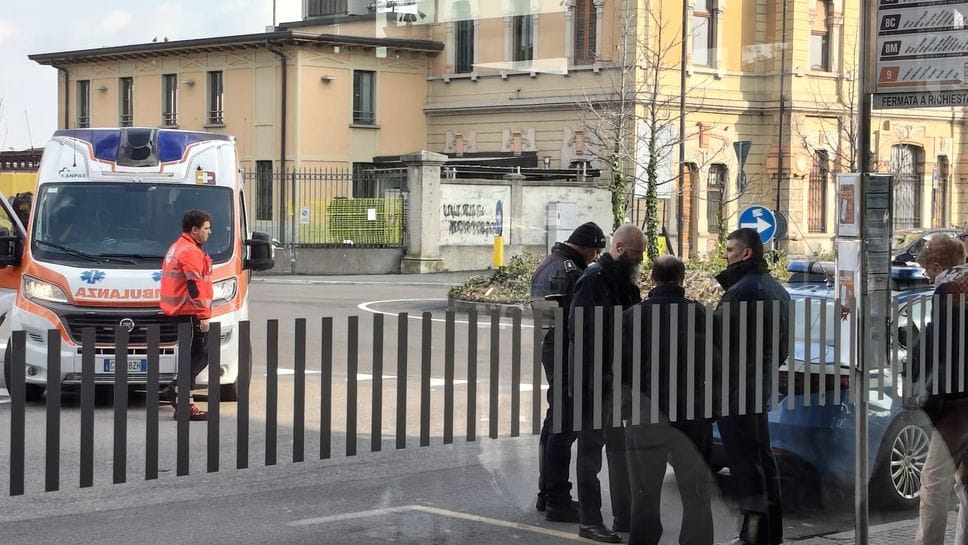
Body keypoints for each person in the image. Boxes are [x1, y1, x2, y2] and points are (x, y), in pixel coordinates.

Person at [621, 255, 714, 545]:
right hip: (691, 412)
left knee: (644, 490)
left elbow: (620, 369)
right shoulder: (700, 315)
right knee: (696, 490)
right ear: (682, 279)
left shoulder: (634, 316)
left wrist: (626, 410)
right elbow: (717, 366)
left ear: (652, 279)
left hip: (645, 413)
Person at [714, 228, 790, 545]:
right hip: (758, 389)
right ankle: (771, 535)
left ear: (746, 254)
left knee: (747, 468)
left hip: (736, 391)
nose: (726, 254)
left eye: (730, 249)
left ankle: (753, 537)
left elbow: (717, 345)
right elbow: (782, 347)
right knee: (763, 461)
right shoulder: (777, 290)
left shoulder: (742, 292)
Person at [569, 223, 644, 543]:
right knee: (591, 454)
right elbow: (583, 333)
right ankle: (590, 521)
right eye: (637, 253)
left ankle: (623, 516)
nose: (640, 260)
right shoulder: (595, 280)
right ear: (620, 248)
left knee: (618, 450)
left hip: (615, 382)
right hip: (594, 383)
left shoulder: (622, 281)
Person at [532, 222, 607, 522]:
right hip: (564, 351)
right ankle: (559, 500)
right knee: (564, 428)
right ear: (587, 246)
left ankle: (547, 494)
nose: (595, 257)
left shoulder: (548, 264)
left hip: (550, 346)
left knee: (553, 426)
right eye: (595, 251)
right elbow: (579, 317)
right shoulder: (569, 270)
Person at [912, 235, 968, 545]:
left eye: (927, 273)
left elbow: (942, 344)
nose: (929, 279)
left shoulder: (948, 288)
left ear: (937, 266)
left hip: (957, 402)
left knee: (934, 481)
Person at [159, 209, 214, 421]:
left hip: (180, 311)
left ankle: (180, 395)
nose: (209, 232)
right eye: (206, 229)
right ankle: (179, 395)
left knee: (192, 356)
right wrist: (203, 316)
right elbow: (195, 287)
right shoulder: (190, 252)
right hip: (189, 312)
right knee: (199, 355)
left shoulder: (177, 247)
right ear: (194, 230)